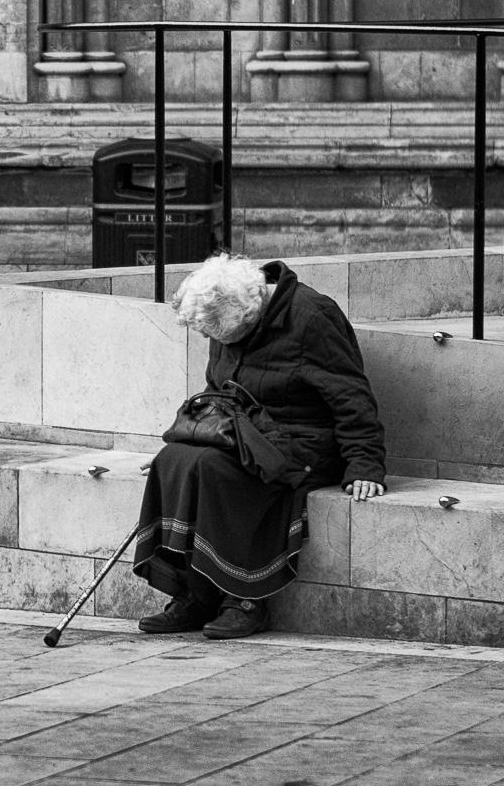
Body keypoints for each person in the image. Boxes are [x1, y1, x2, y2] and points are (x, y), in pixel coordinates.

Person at [131, 253, 387, 640]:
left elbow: (350, 395)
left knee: (216, 469)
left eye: (218, 333)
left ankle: (243, 596)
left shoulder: (311, 316)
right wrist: (191, 436)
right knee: (173, 459)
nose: (214, 341)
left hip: (301, 443)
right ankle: (196, 593)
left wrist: (364, 464)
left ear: (246, 312)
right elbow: (217, 393)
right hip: (241, 435)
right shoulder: (228, 315)